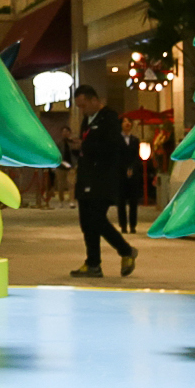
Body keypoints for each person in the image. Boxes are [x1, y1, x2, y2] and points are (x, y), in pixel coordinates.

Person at [69, 85, 136, 278]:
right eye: (79, 107)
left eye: (83, 105)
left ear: (94, 100)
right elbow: (87, 148)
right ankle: (93, 263)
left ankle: (125, 250)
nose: (82, 110)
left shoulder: (110, 118)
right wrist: (78, 148)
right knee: (86, 223)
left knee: (96, 219)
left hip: (103, 179)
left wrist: (86, 145)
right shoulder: (86, 121)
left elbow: (111, 147)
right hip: (86, 177)